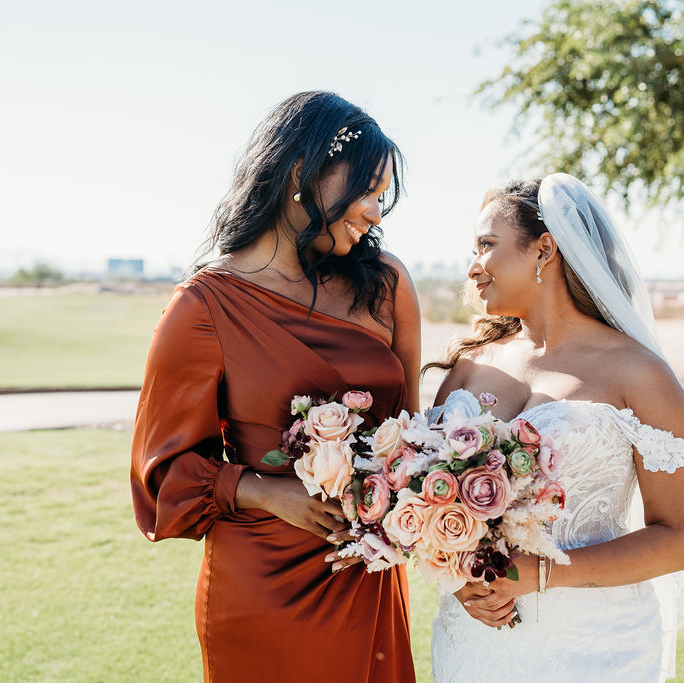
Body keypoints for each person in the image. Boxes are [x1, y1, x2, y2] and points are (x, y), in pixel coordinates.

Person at [130, 91, 420, 683]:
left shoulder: (384, 284)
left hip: (367, 569)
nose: (375, 212)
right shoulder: (203, 307)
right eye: (365, 190)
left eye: (381, 196)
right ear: (301, 173)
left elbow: (413, 432)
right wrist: (264, 491)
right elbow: (161, 475)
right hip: (261, 580)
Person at [427, 175, 684, 682]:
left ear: (544, 249)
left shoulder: (639, 375)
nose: (472, 267)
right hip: (473, 645)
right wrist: (458, 576)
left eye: (487, 246)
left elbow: (681, 539)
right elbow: (427, 501)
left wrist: (542, 572)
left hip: (593, 649)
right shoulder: (468, 367)